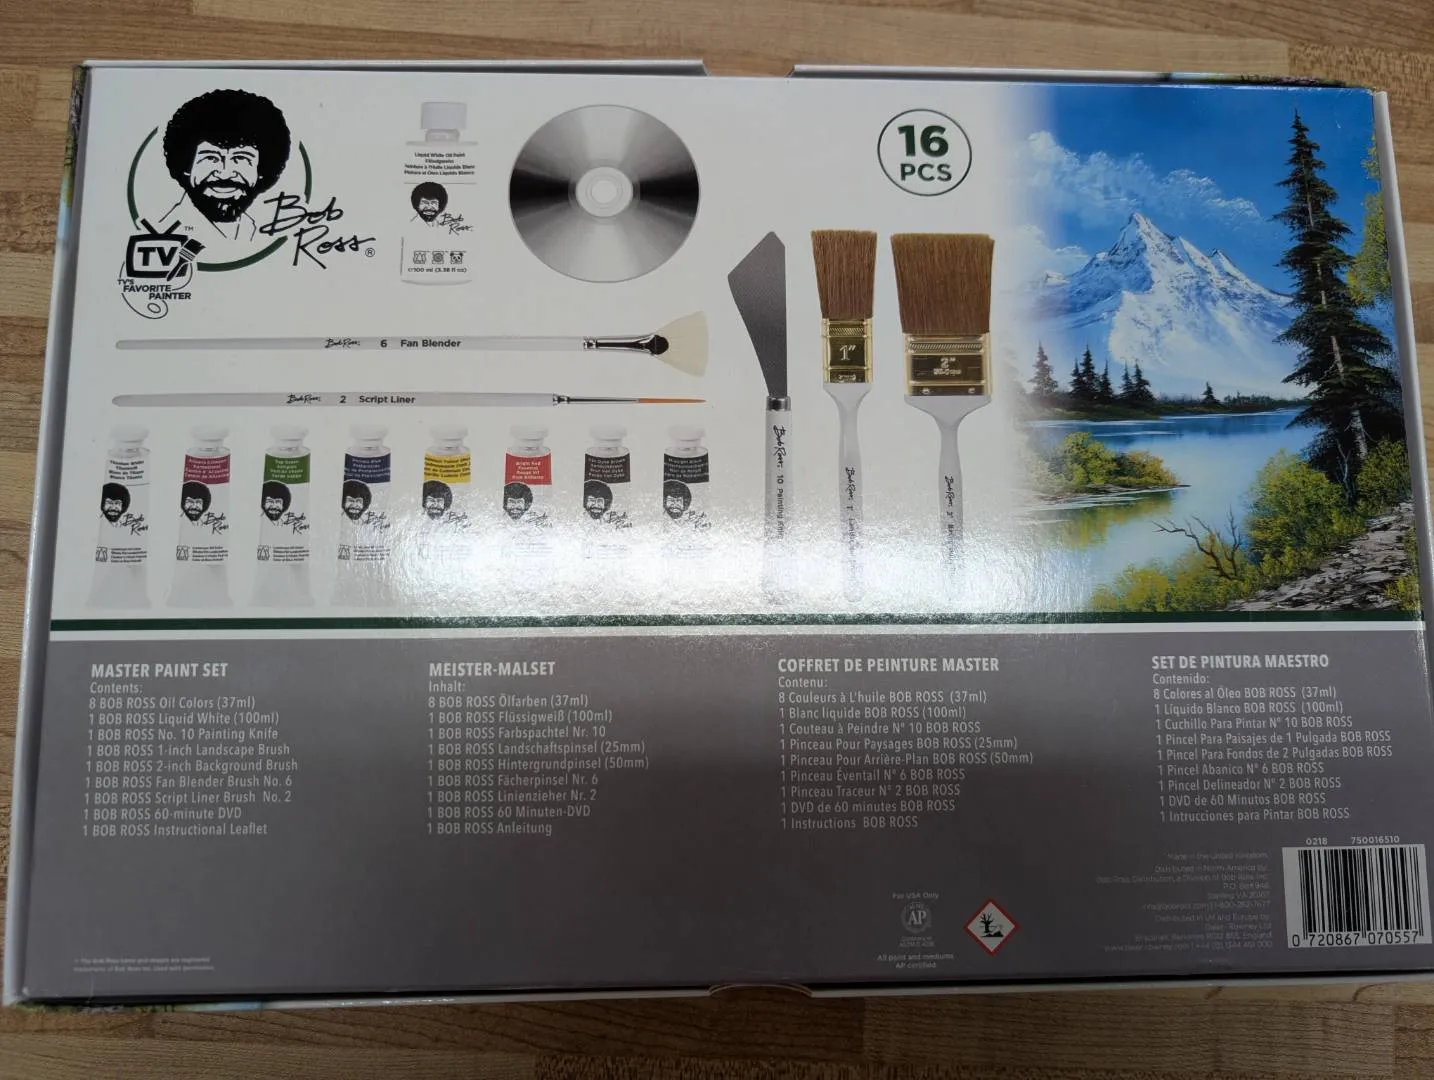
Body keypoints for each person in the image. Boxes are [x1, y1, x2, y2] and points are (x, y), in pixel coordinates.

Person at [159, 89, 291, 243]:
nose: (225, 173)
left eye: (240, 158)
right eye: (211, 158)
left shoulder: (249, 229)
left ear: (262, 170)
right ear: (186, 168)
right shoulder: (164, 238)